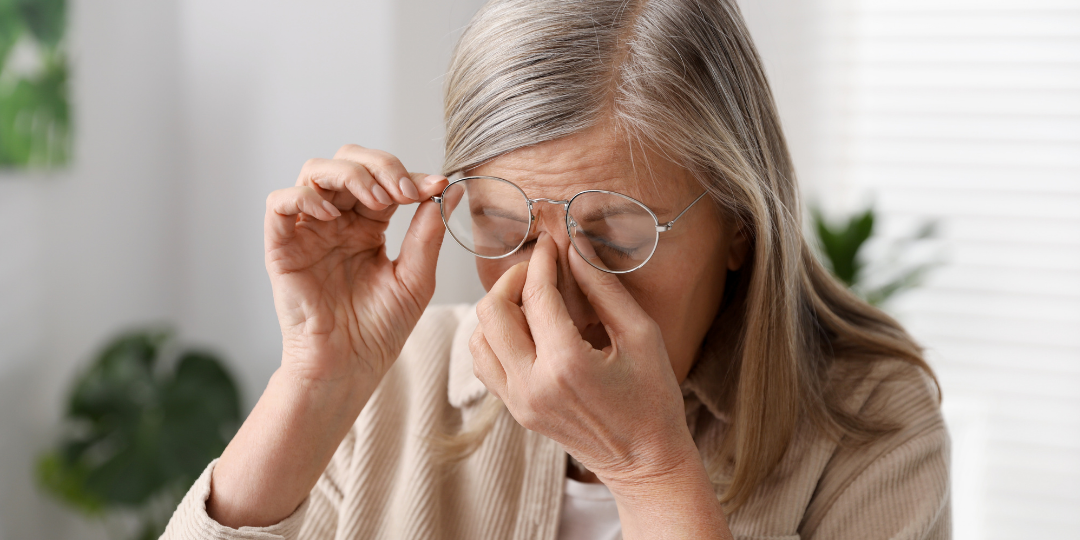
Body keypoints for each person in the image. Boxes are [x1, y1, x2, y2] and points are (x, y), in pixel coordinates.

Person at [162, 0, 950, 538]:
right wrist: (317, 377)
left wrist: (647, 469)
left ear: (740, 223)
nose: (551, 292)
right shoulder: (399, 373)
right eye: (500, 227)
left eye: (614, 239)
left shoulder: (869, 418)